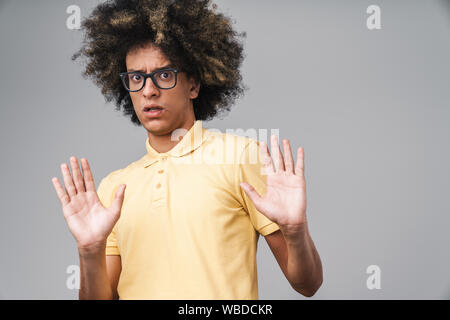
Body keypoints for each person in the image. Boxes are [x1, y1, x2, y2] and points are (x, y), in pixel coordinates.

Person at [51, 0, 322, 300]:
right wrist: (89, 251)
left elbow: (306, 284)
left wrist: (296, 232)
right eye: (136, 78)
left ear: (193, 85)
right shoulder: (114, 189)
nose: (148, 90)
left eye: (164, 75)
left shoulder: (240, 157)